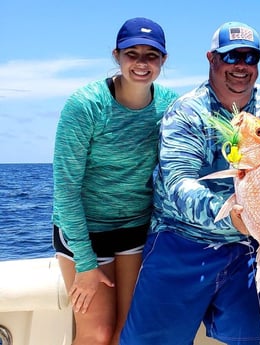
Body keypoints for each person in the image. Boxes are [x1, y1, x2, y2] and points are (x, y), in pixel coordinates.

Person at [119, 21, 260, 345]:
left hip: (244, 248)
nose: (241, 66)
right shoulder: (187, 111)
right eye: (231, 57)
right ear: (211, 59)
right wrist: (229, 214)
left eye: (250, 57)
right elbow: (179, 182)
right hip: (180, 240)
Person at [51, 17, 177, 345]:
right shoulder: (86, 105)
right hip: (84, 230)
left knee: (129, 333)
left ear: (163, 60)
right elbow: (65, 189)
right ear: (116, 56)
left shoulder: (170, 105)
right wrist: (85, 263)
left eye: (151, 55)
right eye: (131, 53)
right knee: (97, 334)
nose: (141, 63)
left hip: (135, 226)